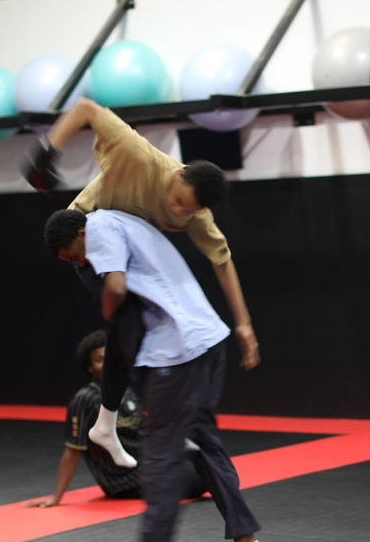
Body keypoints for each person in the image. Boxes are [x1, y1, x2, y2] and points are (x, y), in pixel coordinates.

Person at [22, 100, 260, 470]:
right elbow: (85, 108)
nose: (178, 212)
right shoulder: (137, 154)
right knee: (130, 319)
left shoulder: (196, 214)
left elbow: (222, 259)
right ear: (179, 175)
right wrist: (46, 151)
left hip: (132, 259)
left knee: (160, 327)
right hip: (87, 243)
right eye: (179, 202)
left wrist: (243, 323)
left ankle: (119, 422)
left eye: (188, 211)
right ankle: (134, 421)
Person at [45, 208, 265, 542]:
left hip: (175, 351)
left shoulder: (99, 226)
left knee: (161, 450)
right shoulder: (124, 221)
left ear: (81, 232)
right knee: (203, 444)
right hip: (206, 340)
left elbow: (115, 289)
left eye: (75, 255)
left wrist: (106, 305)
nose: (79, 264)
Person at [25, 331, 206, 507]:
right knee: (201, 476)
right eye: (99, 360)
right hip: (123, 480)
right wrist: (56, 497)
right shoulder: (84, 399)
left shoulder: (127, 391)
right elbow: (73, 450)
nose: (107, 365)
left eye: (110, 359)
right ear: (89, 367)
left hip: (149, 464)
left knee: (207, 461)